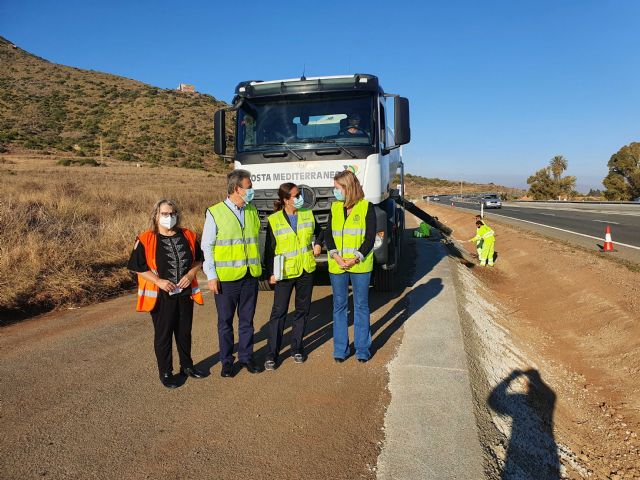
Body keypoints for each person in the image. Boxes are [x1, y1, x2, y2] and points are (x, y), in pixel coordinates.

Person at [128, 199, 206, 389]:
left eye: (172, 214)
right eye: (164, 214)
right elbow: (137, 267)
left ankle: (187, 366)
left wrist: (190, 274)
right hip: (161, 296)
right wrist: (159, 281)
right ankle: (166, 372)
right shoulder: (146, 239)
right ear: (156, 215)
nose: (169, 217)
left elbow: (198, 259)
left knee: (184, 332)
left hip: (185, 293)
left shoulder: (188, 235)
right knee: (163, 335)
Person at [201, 169, 262, 377]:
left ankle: (247, 358)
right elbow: (207, 246)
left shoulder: (252, 210)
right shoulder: (215, 212)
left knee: (247, 321)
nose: (252, 190)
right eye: (249, 187)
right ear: (238, 189)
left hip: (249, 276)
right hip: (226, 279)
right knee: (225, 323)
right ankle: (227, 362)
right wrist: (211, 275)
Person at [263, 183, 323, 370]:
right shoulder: (274, 220)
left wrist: (318, 244)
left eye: (300, 195)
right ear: (285, 200)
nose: (300, 198)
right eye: (296, 196)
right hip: (285, 273)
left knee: (302, 311)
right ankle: (272, 354)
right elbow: (269, 250)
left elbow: (320, 232)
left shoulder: (307, 214)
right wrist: (270, 274)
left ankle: (297, 347)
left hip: (306, 270)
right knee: (279, 312)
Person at [325, 170, 376, 362]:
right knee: (339, 306)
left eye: (337, 188)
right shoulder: (334, 207)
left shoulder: (366, 207)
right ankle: (341, 349)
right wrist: (337, 257)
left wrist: (355, 259)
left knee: (361, 306)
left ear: (348, 188)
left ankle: (362, 349)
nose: (334, 191)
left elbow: (370, 238)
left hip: (360, 265)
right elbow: (328, 234)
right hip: (337, 265)